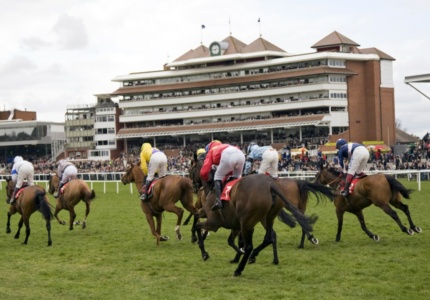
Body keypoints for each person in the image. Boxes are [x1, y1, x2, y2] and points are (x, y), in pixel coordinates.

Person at [200, 140, 245, 211]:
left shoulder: (211, 151)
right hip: (241, 154)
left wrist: (206, 179)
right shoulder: (226, 146)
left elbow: (204, 171)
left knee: (217, 177)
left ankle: (218, 201)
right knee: (237, 177)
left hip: (228, 155)